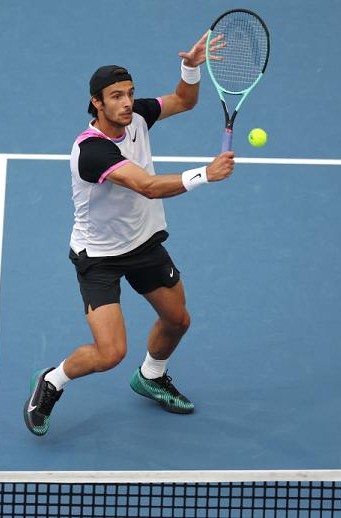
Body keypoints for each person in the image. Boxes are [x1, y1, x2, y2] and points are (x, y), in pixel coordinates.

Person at [24, 32, 234, 436]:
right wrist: (205, 175)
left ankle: (152, 375)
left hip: (144, 243)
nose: (125, 102)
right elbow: (147, 186)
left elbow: (184, 101)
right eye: (115, 96)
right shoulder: (92, 151)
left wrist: (190, 67)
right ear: (96, 102)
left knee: (177, 321)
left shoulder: (136, 116)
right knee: (110, 353)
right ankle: (52, 381)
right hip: (99, 256)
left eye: (129, 94)